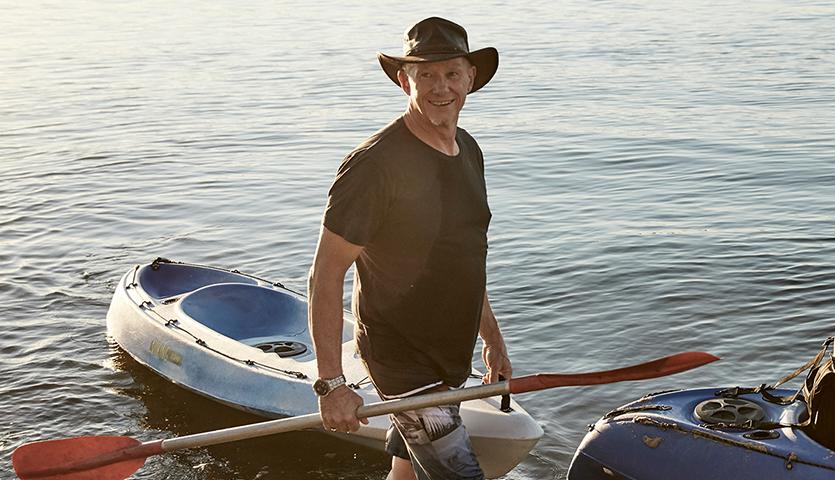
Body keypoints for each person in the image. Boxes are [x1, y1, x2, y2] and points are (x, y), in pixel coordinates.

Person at [307, 17, 512, 480]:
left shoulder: (469, 150)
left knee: (408, 472)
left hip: (445, 350)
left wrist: (492, 340)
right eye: (426, 75)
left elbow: (464, 258)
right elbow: (325, 274)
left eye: (451, 74)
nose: (441, 88)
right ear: (405, 80)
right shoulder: (375, 166)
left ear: (470, 78)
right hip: (400, 357)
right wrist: (332, 385)